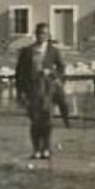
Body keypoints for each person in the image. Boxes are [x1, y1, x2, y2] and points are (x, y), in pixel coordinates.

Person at [14, 22, 65, 160]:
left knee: (47, 120)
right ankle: (36, 149)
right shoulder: (27, 51)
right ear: (35, 34)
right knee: (35, 121)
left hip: (48, 90)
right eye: (39, 33)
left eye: (44, 33)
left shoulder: (53, 51)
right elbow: (19, 73)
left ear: (48, 35)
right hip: (32, 90)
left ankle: (46, 149)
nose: (42, 36)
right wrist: (20, 92)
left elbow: (61, 69)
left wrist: (52, 73)